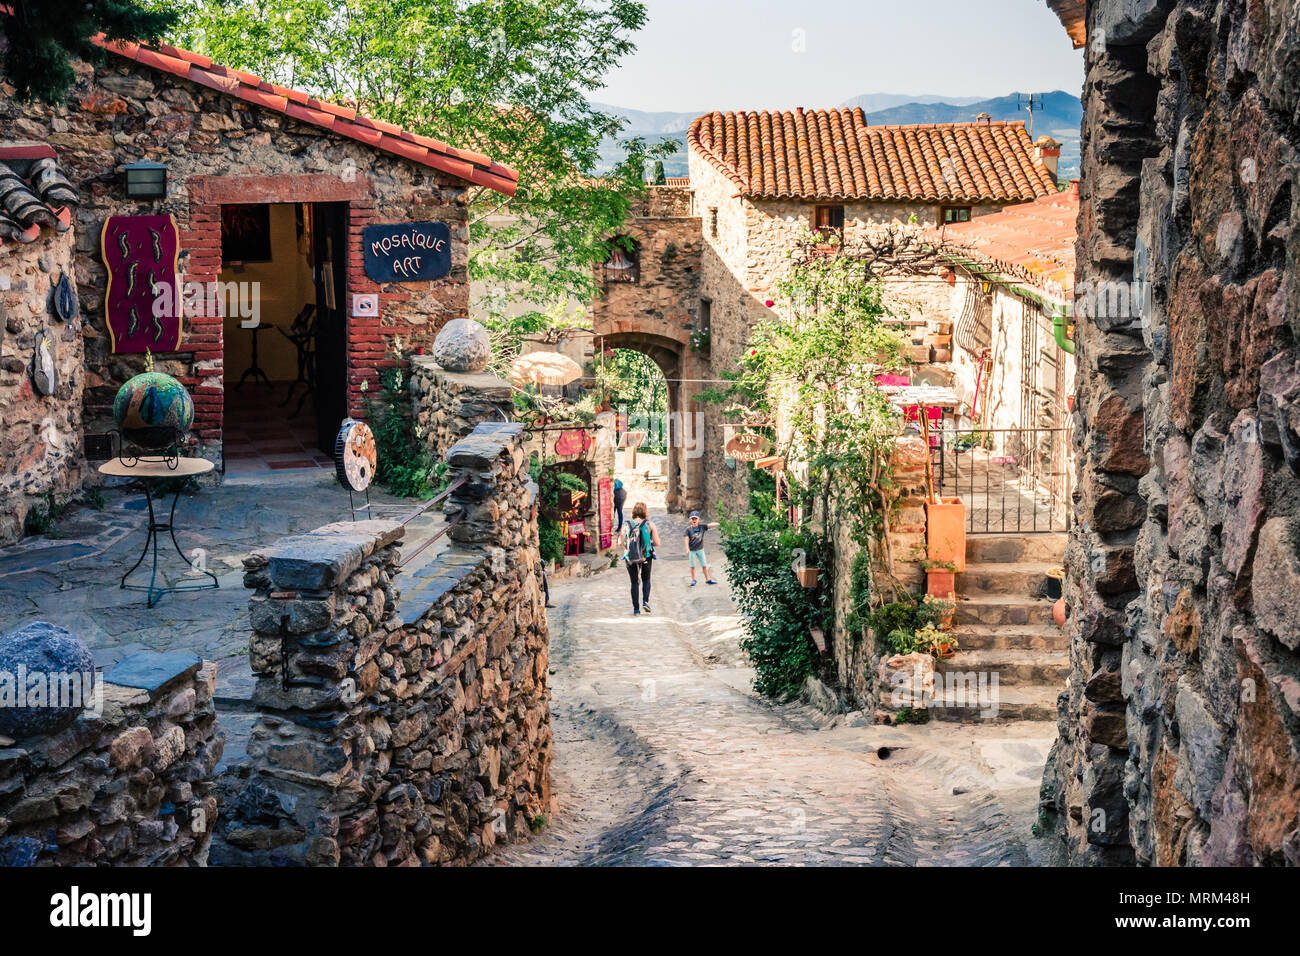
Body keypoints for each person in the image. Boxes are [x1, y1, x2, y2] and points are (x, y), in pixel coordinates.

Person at [619, 501, 660, 615]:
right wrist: (648, 544)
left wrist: (627, 547)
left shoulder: (626, 524)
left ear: (633, 512)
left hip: (630, 557)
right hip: (646, 556)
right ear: (645, 512)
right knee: (646, 579)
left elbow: (620, 542)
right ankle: (645, 601)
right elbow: (657, 542)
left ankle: (636, 609)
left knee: (634, 582)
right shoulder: (650, 524)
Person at [684, 511, 718, 586]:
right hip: (692, 550)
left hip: (700, 549)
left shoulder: (702, 526)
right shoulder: (688, 529)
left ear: (699, 519)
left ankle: (707, 579)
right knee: (692, 566)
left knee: (704, 565)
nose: (694, 520)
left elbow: (710, 525)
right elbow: (686, 539)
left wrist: (719, 523)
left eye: (695, 518)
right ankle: (693, 580)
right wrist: (687, 549)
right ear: (690, 520)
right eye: (692, 519)